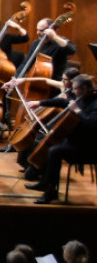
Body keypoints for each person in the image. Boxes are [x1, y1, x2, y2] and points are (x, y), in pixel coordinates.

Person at [26, 74, 97, 204]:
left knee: (54, 151)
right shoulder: (82, 97)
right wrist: (39, 102)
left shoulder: (95, 103)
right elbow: (63, 102)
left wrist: (77, 111)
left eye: (76, 89)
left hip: (88, 147)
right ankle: (45, 183)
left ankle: (50, 192)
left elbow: (92, 124)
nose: (73, 92)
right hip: (76, 141)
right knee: (49, 142)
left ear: (86, 88)